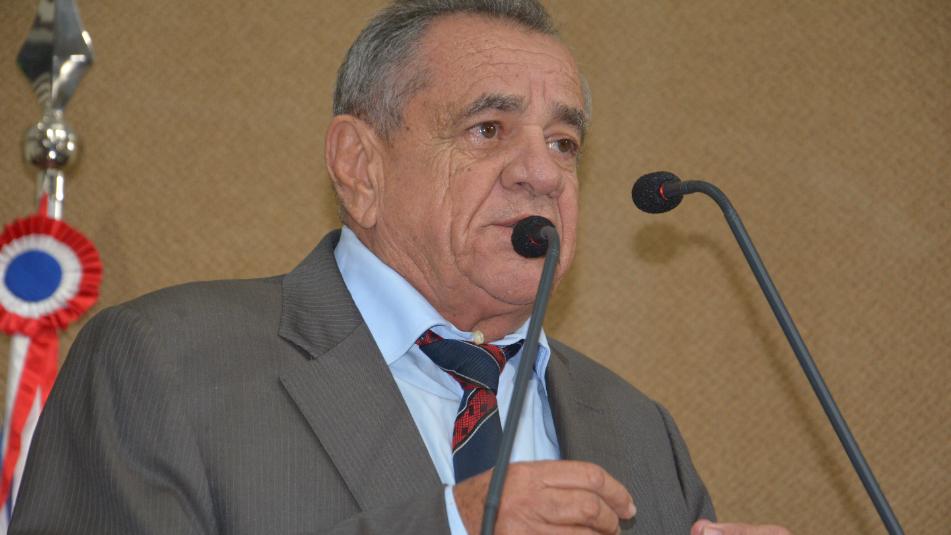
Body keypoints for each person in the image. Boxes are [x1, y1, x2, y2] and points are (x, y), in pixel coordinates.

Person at [11, 1, 790, 534]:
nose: (542, 174)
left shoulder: (638, 430)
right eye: (488, 129)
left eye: (563, 143)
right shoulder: (165, 366)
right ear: (360, 166)